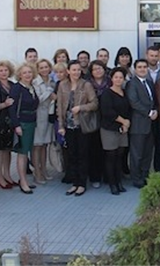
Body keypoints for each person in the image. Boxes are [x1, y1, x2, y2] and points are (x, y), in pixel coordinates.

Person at [57, 60, 99, 196]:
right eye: (74, 70)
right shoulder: (62, 85)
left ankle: (82, 184)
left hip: (82, 124)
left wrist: (81, 107)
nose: (76, 72)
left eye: (78, 70)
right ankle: (75, 183)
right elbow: (59, 107)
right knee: (71, 155)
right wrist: (61, 125)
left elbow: (94, 103)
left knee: (83, 154)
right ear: (68, 71)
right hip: (68, 126)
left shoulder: (86, 85)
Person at [9, 63, 41, 194]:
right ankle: (22, 181)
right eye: (24, 73)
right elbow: (12, 109)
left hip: (31, 122)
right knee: (22, 153)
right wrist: (16, 125)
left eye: (29, 72)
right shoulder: (17, 88)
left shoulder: (31, 87)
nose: (27, 75)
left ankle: (24, 180)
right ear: (20, 75)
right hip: (22, 124)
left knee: (27, 152)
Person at [125, 59, 157, 188]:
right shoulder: (131, 84)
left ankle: (145, 175)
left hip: (150, 124)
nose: (142, 69)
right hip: (138, 124)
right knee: (137, 154)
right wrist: (149, 112)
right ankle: (136, 178)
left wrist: (155, 111)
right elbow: (134, 102)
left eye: (144, 67)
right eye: (140, 67)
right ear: (135, 69)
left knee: (147, 153)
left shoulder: (149, 82)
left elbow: (154, 100)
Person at [100, 67, 131, 195]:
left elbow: (128, 110)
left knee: (120, 156)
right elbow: (107, 111)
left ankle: (119, 182)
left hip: (122, 129)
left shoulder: (125, 92)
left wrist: (126, 124)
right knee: (111, 156)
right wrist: (123, 121)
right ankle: (112, 184)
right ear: (111, 79)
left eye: (121, 77)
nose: (118, 80)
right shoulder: (107, 93)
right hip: (109, 128)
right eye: (116, 77)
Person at [0, 60, 16, 189]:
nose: (3, 73)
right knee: (0, 151)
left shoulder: (12, 85)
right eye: (1, 70)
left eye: (6, 70)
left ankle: (7, 174)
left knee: (8, 150)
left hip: (10, 122)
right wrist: (4, 104)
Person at [32, 59, 56, 184]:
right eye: (41, 67)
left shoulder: (52, 81)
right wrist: (49, 91)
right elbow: (38, 99)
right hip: (39, 116)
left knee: (45, 145)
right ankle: (37, 172)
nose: (44, 69)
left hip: (49, 115)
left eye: (46, 67)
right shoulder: (35, 82)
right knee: (37, 145)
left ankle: (44, 169)